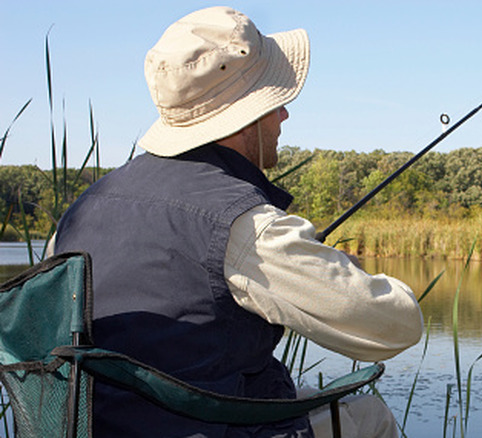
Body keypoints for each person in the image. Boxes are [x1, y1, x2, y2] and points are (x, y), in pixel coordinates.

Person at [52, 6, 423, 438]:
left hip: (109, 426)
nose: (284, 116)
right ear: (245, 114)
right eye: (275, 101)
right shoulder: (246, 226)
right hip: (202, 427)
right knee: (368, 417)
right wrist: (342, 267)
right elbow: (395, 325)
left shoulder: (82, 209)